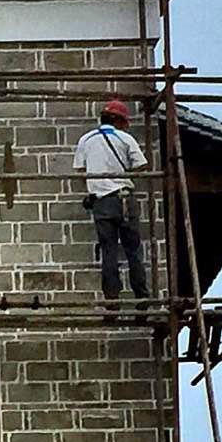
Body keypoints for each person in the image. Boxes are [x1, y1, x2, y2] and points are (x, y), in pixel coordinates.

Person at [73, 99, 150, 304]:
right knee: (133, 250)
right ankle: (142, 298)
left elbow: (80, 170)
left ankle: (112, 300)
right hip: (124, 198)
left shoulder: (86, 140)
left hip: (101, 202)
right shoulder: (125, 138)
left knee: (109, 251)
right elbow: (141, 165)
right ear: (118, 120)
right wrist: (121, 173)